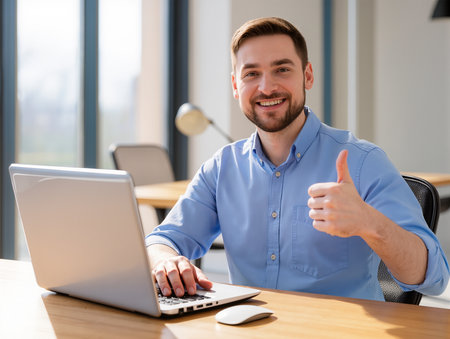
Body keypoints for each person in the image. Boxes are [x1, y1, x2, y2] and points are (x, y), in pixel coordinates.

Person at [146, 17, 449, 301]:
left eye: (282, 69)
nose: (266, 87)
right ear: (236, 86)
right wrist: (166, 261)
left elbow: (434, 278)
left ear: (307, 75)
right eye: (252, 73)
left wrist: (369, 223)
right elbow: (162, 240)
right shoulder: (222, 167)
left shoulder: (362, 160)